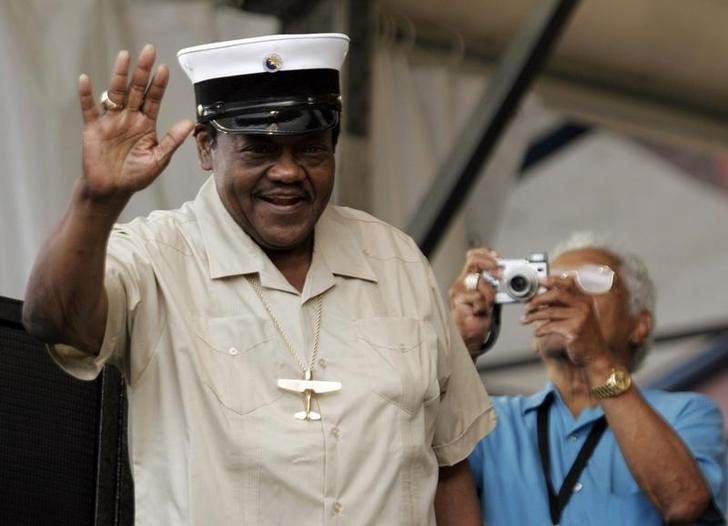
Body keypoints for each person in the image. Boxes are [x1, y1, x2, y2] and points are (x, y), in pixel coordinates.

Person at [22, 34, 496, 525]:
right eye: (259, 150)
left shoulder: (396, 261)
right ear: (206, 149)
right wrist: (95, 200)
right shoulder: (156, 256)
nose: (288, 171)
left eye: (310, 149)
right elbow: (51, 318)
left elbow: (448, 465)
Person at [450, 232, 726, 525]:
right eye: (550, 281)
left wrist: (596, 360)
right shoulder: (489, 419)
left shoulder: (686, 413)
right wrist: (459, 344)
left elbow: (684, 502)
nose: (563, 292)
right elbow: (421, 475)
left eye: (592, 281)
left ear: (639, 326)